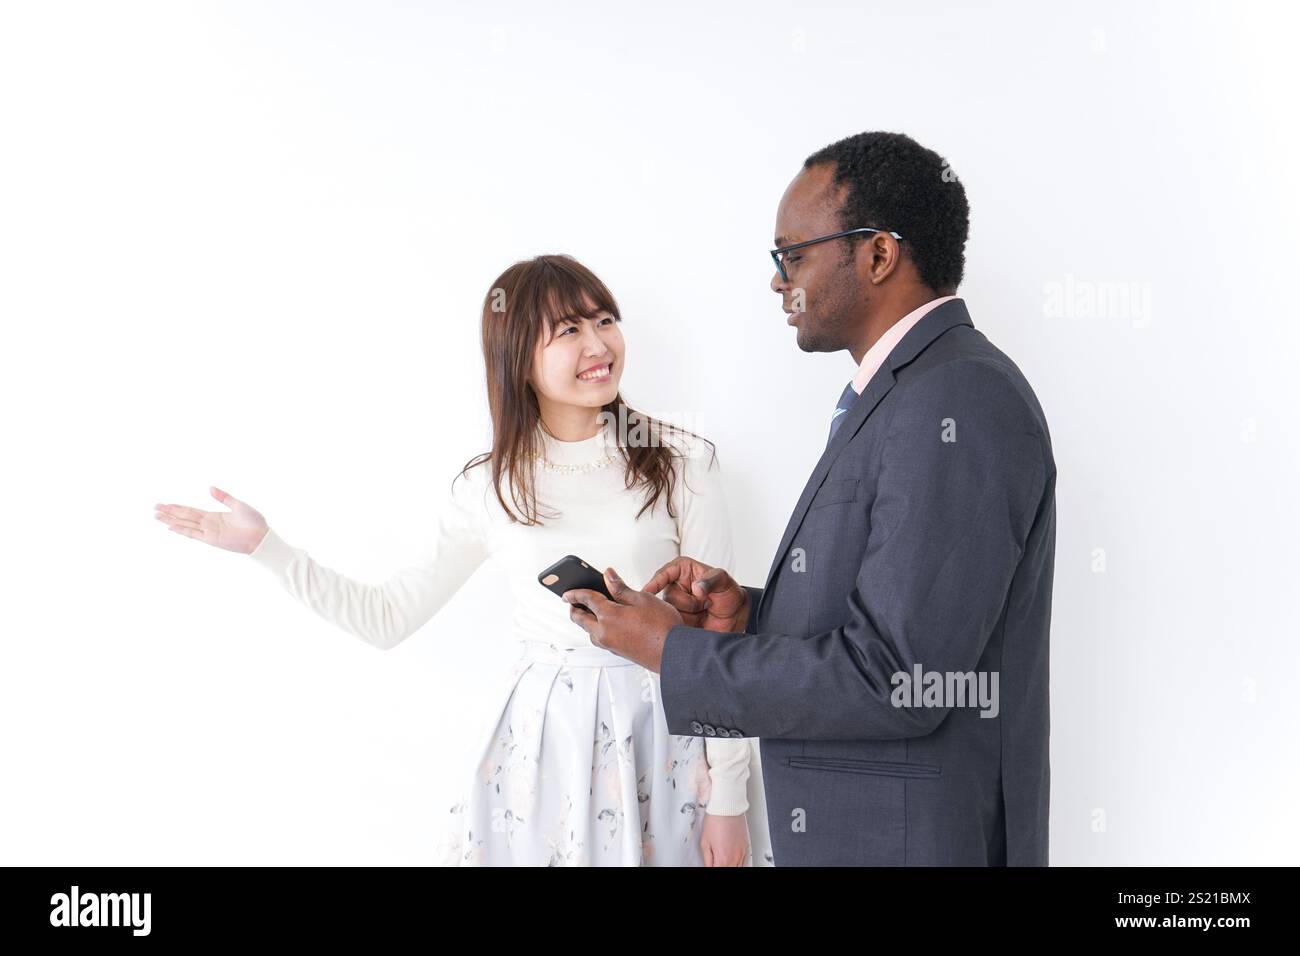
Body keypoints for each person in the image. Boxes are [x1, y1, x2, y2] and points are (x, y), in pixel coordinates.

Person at [153, 253, 772, 866]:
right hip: (543, 748)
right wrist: (267, 549)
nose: (598, 344)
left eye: (604, 320)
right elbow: (387, 617)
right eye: (568, 330)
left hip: (669, 735)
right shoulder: (491, 486)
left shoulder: (681, 461)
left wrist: (729, 797)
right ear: (518, 357)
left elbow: (723, 639)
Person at [561, 131, 1057, 866]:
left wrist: (676, 655)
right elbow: (888, 623)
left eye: (792, 256)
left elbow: (901, 680)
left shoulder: (959, 397)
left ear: (878, 255)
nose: (777, 281)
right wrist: (747, 618)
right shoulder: (905, 392)